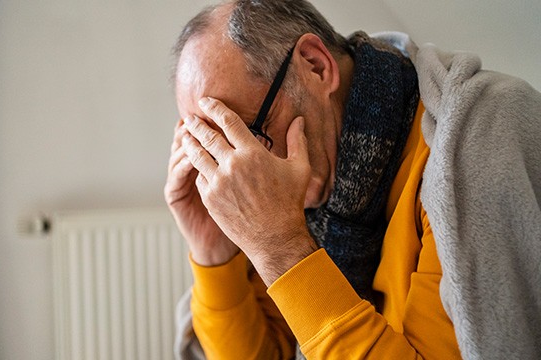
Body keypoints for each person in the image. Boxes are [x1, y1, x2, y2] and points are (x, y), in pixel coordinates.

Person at [164, 1, 541, 359]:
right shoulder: (304, 180)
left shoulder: (473, 144)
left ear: (315, 66)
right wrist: (214, 252)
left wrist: (284, 251)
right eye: (215, 150)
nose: (237, 170)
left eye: (246, 133)